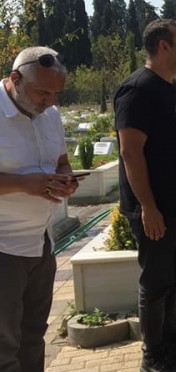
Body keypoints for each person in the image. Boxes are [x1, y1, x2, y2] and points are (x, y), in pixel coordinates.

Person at [114, 19, 176, 372]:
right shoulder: (138, 90)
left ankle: (171, 341)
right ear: (164, 46)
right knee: (155, 282)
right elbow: (130, 153)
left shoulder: (175, 89)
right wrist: (147, 207)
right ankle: (152, 356)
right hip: (155, 208)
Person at [0, 47, 79, 372]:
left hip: (41, 245)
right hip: (4, 249)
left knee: (34, 336)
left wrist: (66, 180)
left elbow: (61, 163)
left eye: (56, 93)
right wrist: (24, 184)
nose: (49, 101)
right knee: (4, 346)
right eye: (42, 92)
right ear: (15, 79)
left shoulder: (50, 116)